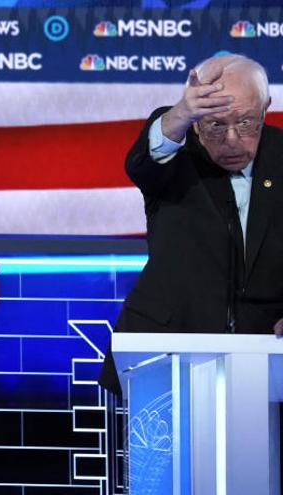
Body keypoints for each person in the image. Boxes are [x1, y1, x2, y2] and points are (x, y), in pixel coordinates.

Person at [102, 53, 283, 394]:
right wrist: (182, 113)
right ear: (197, 122)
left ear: (266, 108)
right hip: (166, 351)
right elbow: (143, 161)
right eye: (216, 124)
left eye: (246, 122)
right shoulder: (174, 157)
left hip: (268, 357)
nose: (231, 139)